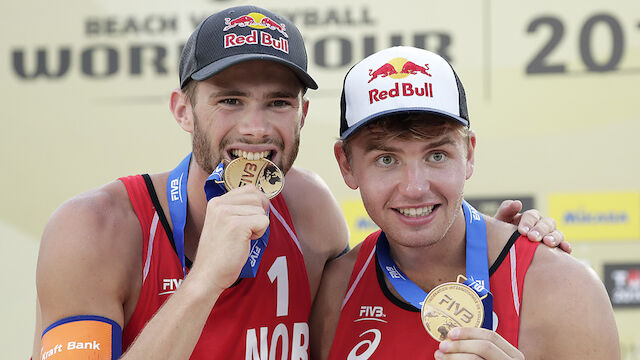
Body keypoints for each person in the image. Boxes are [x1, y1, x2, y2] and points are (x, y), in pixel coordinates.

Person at [32, 7, 566, 360]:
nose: (257, 127)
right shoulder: (97, 228)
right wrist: (202, 284)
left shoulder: (309, 210)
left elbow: (383, 303)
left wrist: (493, 254)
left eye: (278, 102)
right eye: (230, 99)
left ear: (303, 115)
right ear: (183, 111)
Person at [310, 46, 619, 359]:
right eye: (386, 159)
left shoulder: (562, 288)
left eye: (437, 155)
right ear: (346, 164)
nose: (415, 188)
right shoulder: (336, 289)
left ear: (469, 154)